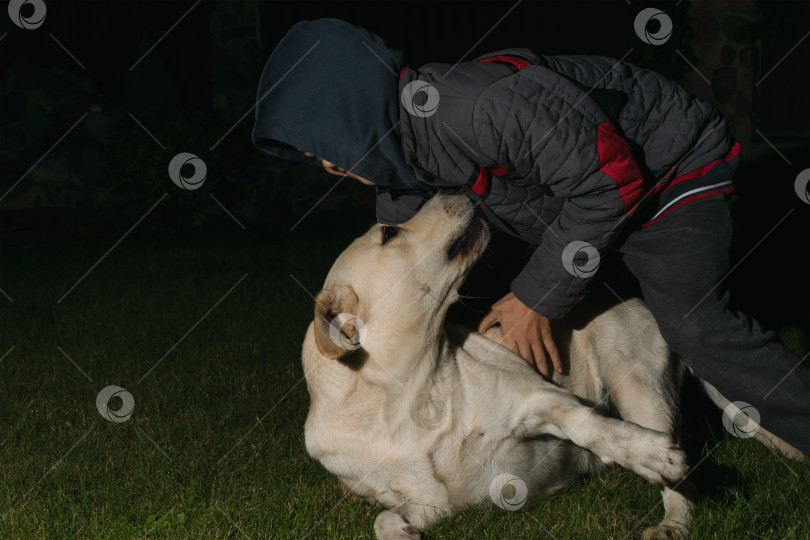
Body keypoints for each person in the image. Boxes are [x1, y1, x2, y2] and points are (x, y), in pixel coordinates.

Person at [252, 18, 810, 455]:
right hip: (577, 207)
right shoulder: (402, 172)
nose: (326, 164)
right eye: (310, 156)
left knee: (691, 320)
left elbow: (613, 182)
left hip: (671, 179)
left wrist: (537, 298)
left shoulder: (475, 107)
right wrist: (380, 439)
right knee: (475, 305)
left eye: (324, 140)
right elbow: (414, 300)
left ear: (352, 106)